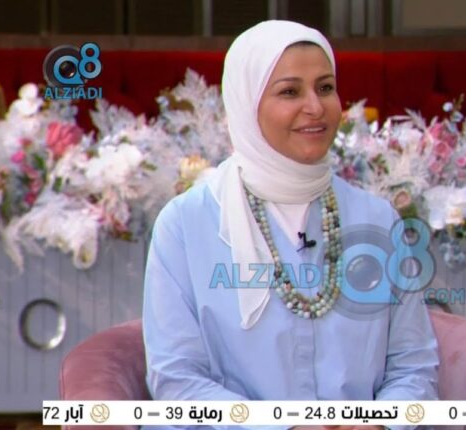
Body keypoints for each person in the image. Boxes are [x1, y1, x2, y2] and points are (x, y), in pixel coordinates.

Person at [142, 20, 439, 430]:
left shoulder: (375, 218)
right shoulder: (185, 223)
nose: (315, 107)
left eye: (325, 87)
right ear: (247, 105)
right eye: (289, 92)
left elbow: (413, 366)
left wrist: (380, 423)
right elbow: (177, 379)